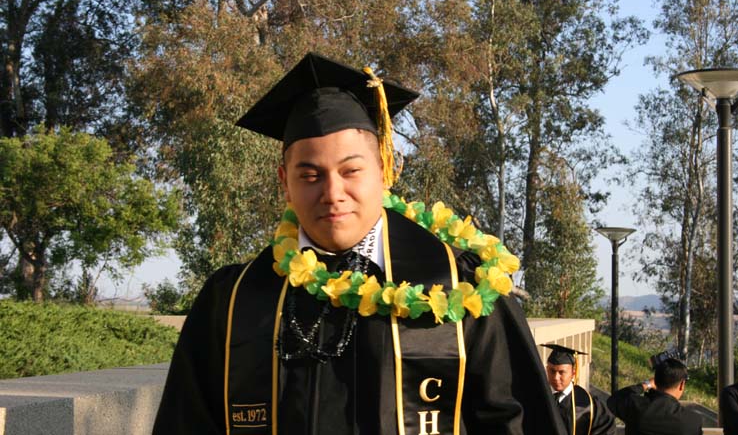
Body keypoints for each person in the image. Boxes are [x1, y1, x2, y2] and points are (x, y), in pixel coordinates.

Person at [152, 52, 566, 434]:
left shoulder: (463, 288)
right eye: (310, 175)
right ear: (285, 183)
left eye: (351, 171)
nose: (332, 193)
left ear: (384, 169)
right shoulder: (232, 300)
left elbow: (514, 422)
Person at [606, 357, 702, 435]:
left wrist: (646, 384)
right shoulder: (692, 421)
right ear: (681, 385)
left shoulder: (635, 406)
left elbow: (613, 400)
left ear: (655, 381)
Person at [543, 344, 615, 435]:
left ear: (573, 373)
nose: (556, 377)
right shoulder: (537, 397)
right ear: (546, 369)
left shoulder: (590, 406)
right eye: (552, 371)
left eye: (562, 372)